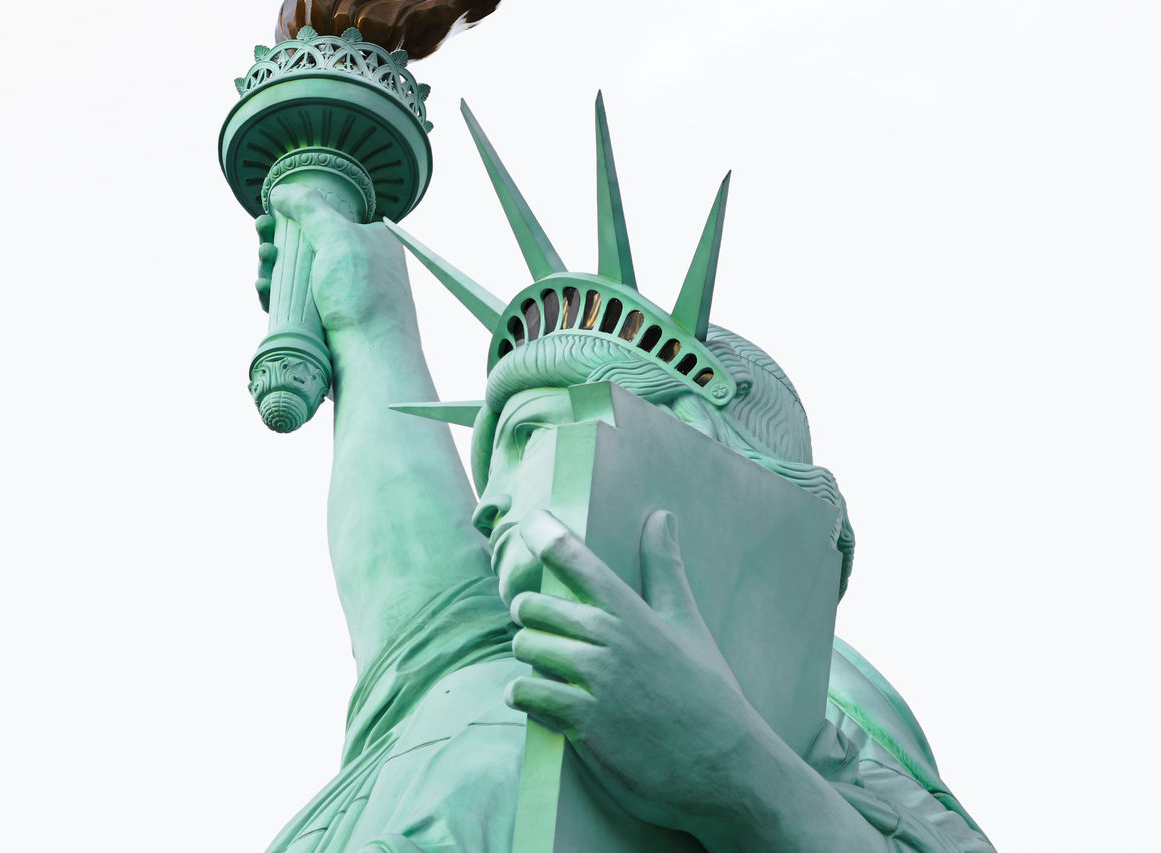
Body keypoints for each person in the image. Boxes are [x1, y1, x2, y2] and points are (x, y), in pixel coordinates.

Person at [253, 105, 996, 852]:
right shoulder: (489, 670)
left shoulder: (824, 698)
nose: (486, 510)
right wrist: (366, 323)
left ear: (684, 444)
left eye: (530, 439)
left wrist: (739, 766)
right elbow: (412, 584)